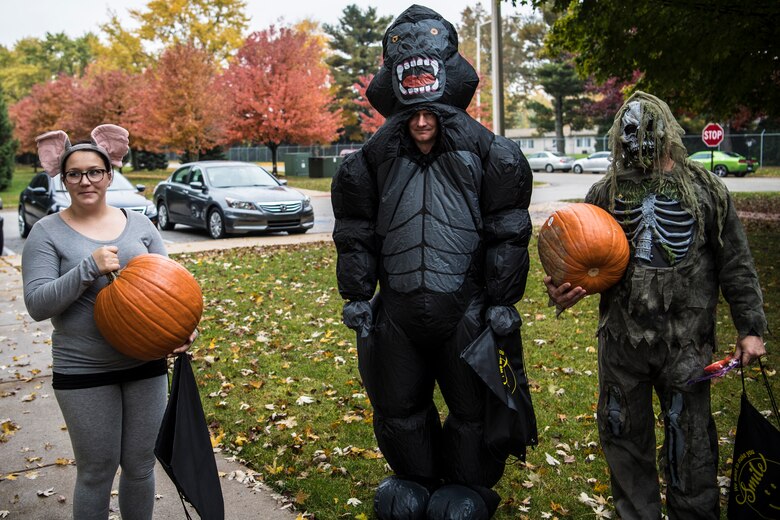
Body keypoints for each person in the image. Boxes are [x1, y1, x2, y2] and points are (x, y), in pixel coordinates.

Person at [331, 6, 536, 519]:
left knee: (473, 408)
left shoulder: (492, 155)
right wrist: (357, 296)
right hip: (396, 309)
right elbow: (355, 233)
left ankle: (468, 485)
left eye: (432, 114)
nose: (422, 124)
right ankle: (413, 479)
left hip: (465, 307)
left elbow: (507, 230)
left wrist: (502, 300)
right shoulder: (369, 162)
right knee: (397, 407)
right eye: (412, 115)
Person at [545, 91, 767, 519]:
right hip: (621, 345)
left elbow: (736, 263)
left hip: (686, 346)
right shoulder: (604, 192)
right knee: (623, 437)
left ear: (666, 134)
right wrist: (563, 291)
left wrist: (751, 328)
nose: (638, 143)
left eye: (647, 132)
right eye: (630, 134)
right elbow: (574, 252)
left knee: (691, 441)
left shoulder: (706, 191)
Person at [22, 124, 197, 520]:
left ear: (110, 174)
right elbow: (37, 304)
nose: (86, 181)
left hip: (146, 367)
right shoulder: (46, 233)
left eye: (94, 172)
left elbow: (170, 288)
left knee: (139, 468)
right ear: (62, 178)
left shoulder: (140, 226)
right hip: (85, 370)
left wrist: (184, 329)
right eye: (75, 173)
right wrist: (88, 267)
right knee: (97, 472)